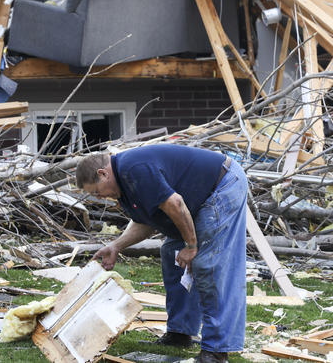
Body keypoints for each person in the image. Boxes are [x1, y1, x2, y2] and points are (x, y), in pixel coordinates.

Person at [76, 144, 248, 363]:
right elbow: (146, 222)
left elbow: (175, 203)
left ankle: (216, 351)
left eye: (97, 191)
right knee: (171, 253)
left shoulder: (134, 169)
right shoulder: (124, 185)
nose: (100, 197)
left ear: (103, 174)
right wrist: (116, 246)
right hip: (195, 200)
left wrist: (192, 246)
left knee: (207, 263)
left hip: (221, 185)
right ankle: (180, 333)